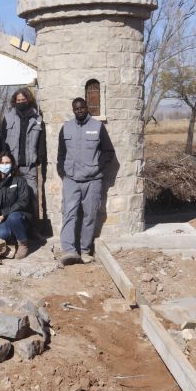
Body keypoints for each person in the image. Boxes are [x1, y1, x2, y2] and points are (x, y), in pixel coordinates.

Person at [57, 97, 114, 265]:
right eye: (76, 109)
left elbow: (108, 152)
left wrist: (97, 168)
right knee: (69, 213)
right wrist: (62, 170)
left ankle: (85, 250)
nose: (79, 111)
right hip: (71, 180)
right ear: (73, 110)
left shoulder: (97, 127)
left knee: (90, 214)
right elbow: (61, 153)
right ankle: (69, 251)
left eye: (82, 108)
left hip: (93, 181)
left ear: (87, 108)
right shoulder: (66, 128)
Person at [0, 88, 46, 232]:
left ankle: (33, 230)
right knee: (11, 199)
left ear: (29, 100)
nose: (21, 102)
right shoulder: (8, 117)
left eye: (23, 100)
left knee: (32, 198)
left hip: (29, 167)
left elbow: (42, 142)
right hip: (12, 167)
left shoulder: (37, 119)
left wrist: (39, 158)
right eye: (18, 100)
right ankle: (12, 230)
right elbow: (2, 139)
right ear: (15, 101)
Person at [0, 151, 32, 259]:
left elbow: (23, 201)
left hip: (18, 216)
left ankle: (23, 243)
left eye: (7, 162)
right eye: (2, 163)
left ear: (12, 164)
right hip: (1, 219)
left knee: (13, 218)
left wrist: (5, 213)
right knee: (2, 234)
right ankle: (12, 240)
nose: (5, 165)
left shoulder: (20, 181)